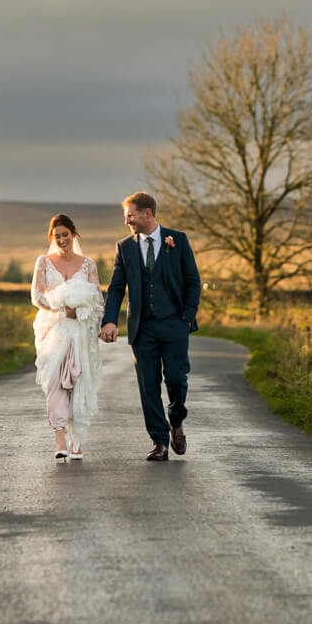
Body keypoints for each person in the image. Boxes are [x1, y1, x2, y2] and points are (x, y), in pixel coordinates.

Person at [100, 191, 201, 460]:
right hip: (142, 328)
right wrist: (110, 320)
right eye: (125, 216)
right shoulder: (125, 247)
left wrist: (187, 316)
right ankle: (160, 441)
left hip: (174, 324)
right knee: (148, 385)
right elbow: (116, 287)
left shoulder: (177, 240)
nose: (127, 221)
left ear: (148, 213)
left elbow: (192, 280)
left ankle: (176, 420)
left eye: (130, 215)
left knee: (177, 380)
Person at [31, 214, 102, 460]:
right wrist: (61, 310)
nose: (62, 239)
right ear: (52, 238)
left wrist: (90, 319)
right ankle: (60, 439)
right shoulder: (43, 262)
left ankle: (77, 442)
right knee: (54, 382)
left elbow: (97, 300)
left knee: (79, 382)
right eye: (56, 236)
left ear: (74, 234)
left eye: (65, 234)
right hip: (54, 330)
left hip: (81, 331)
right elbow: (36, 296)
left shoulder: (88, 264)